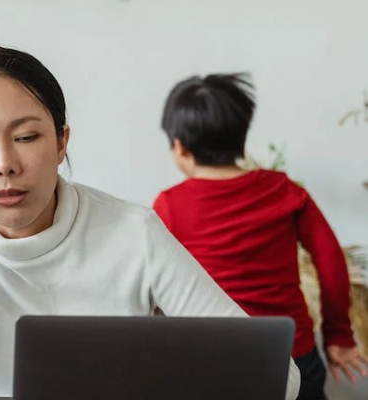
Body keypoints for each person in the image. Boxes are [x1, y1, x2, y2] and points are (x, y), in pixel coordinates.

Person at [0, 47, 299, 400]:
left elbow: (278, 378)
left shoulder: (133, 231)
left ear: (61, 143)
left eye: (27, 138)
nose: (3, 165)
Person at [153, 73, 368, 399]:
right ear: (242, 136)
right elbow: (330, 259)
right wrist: (339, 335)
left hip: (214, 359)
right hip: (292, 355)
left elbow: (154, 283)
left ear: (180, 148)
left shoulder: (169, 205)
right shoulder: (285, 190)